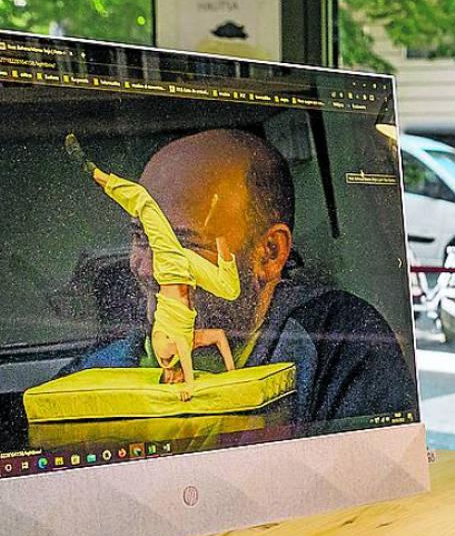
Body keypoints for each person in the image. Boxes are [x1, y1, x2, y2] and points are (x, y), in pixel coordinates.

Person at [60, 128, 418, 423]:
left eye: (183, 244)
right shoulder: (100, 367)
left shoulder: (340, 342)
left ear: (270, 253)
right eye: (140, 237)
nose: (147, 268)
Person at [66, 134, 241, 401]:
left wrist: (190, 387)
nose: (146, 270)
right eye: (137, 237)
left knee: (145, 204)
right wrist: (227, 375)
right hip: (185, 271)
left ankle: (96, 173)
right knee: (229, 289)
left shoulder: (165, 351)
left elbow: (182, 348)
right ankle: (219, 233)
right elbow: (214, 338)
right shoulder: (187, 345)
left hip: (174, 268)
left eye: (188, 239)